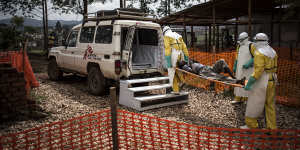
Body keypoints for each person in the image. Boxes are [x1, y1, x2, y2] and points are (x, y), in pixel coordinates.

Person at [241, 33, 278, 129]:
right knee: (270, 104)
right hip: (273, 78)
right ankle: (272, 127)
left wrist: (249, 83)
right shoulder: (273, 51)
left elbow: (258, 71)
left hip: (262, 80)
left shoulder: (259, 53)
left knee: (254, 102)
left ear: (257, 41)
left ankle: (251, 124)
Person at [163, 26, 189, 94]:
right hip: (180, 54)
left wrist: (168, 61)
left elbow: (167, 49)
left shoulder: (166, 36)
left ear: (164, 32)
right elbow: (185, 47)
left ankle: (176, 91)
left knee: (172, 73)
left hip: (173, 55)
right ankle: (182, 81)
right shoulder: (178, 35)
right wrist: (186, 58)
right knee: (177, 69)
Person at [232, 32, 255, 104]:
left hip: (248, 70)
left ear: (246, 39)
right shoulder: (239, 46)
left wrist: (250, 63)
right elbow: (237, 56)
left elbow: (256, 56)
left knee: (247, 82)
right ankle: (238, 98)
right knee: (238, 81)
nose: (240, 41)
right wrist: (235, 65)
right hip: (239, 69)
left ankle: (246, 99)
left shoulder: (251, 45)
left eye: (241, 40)